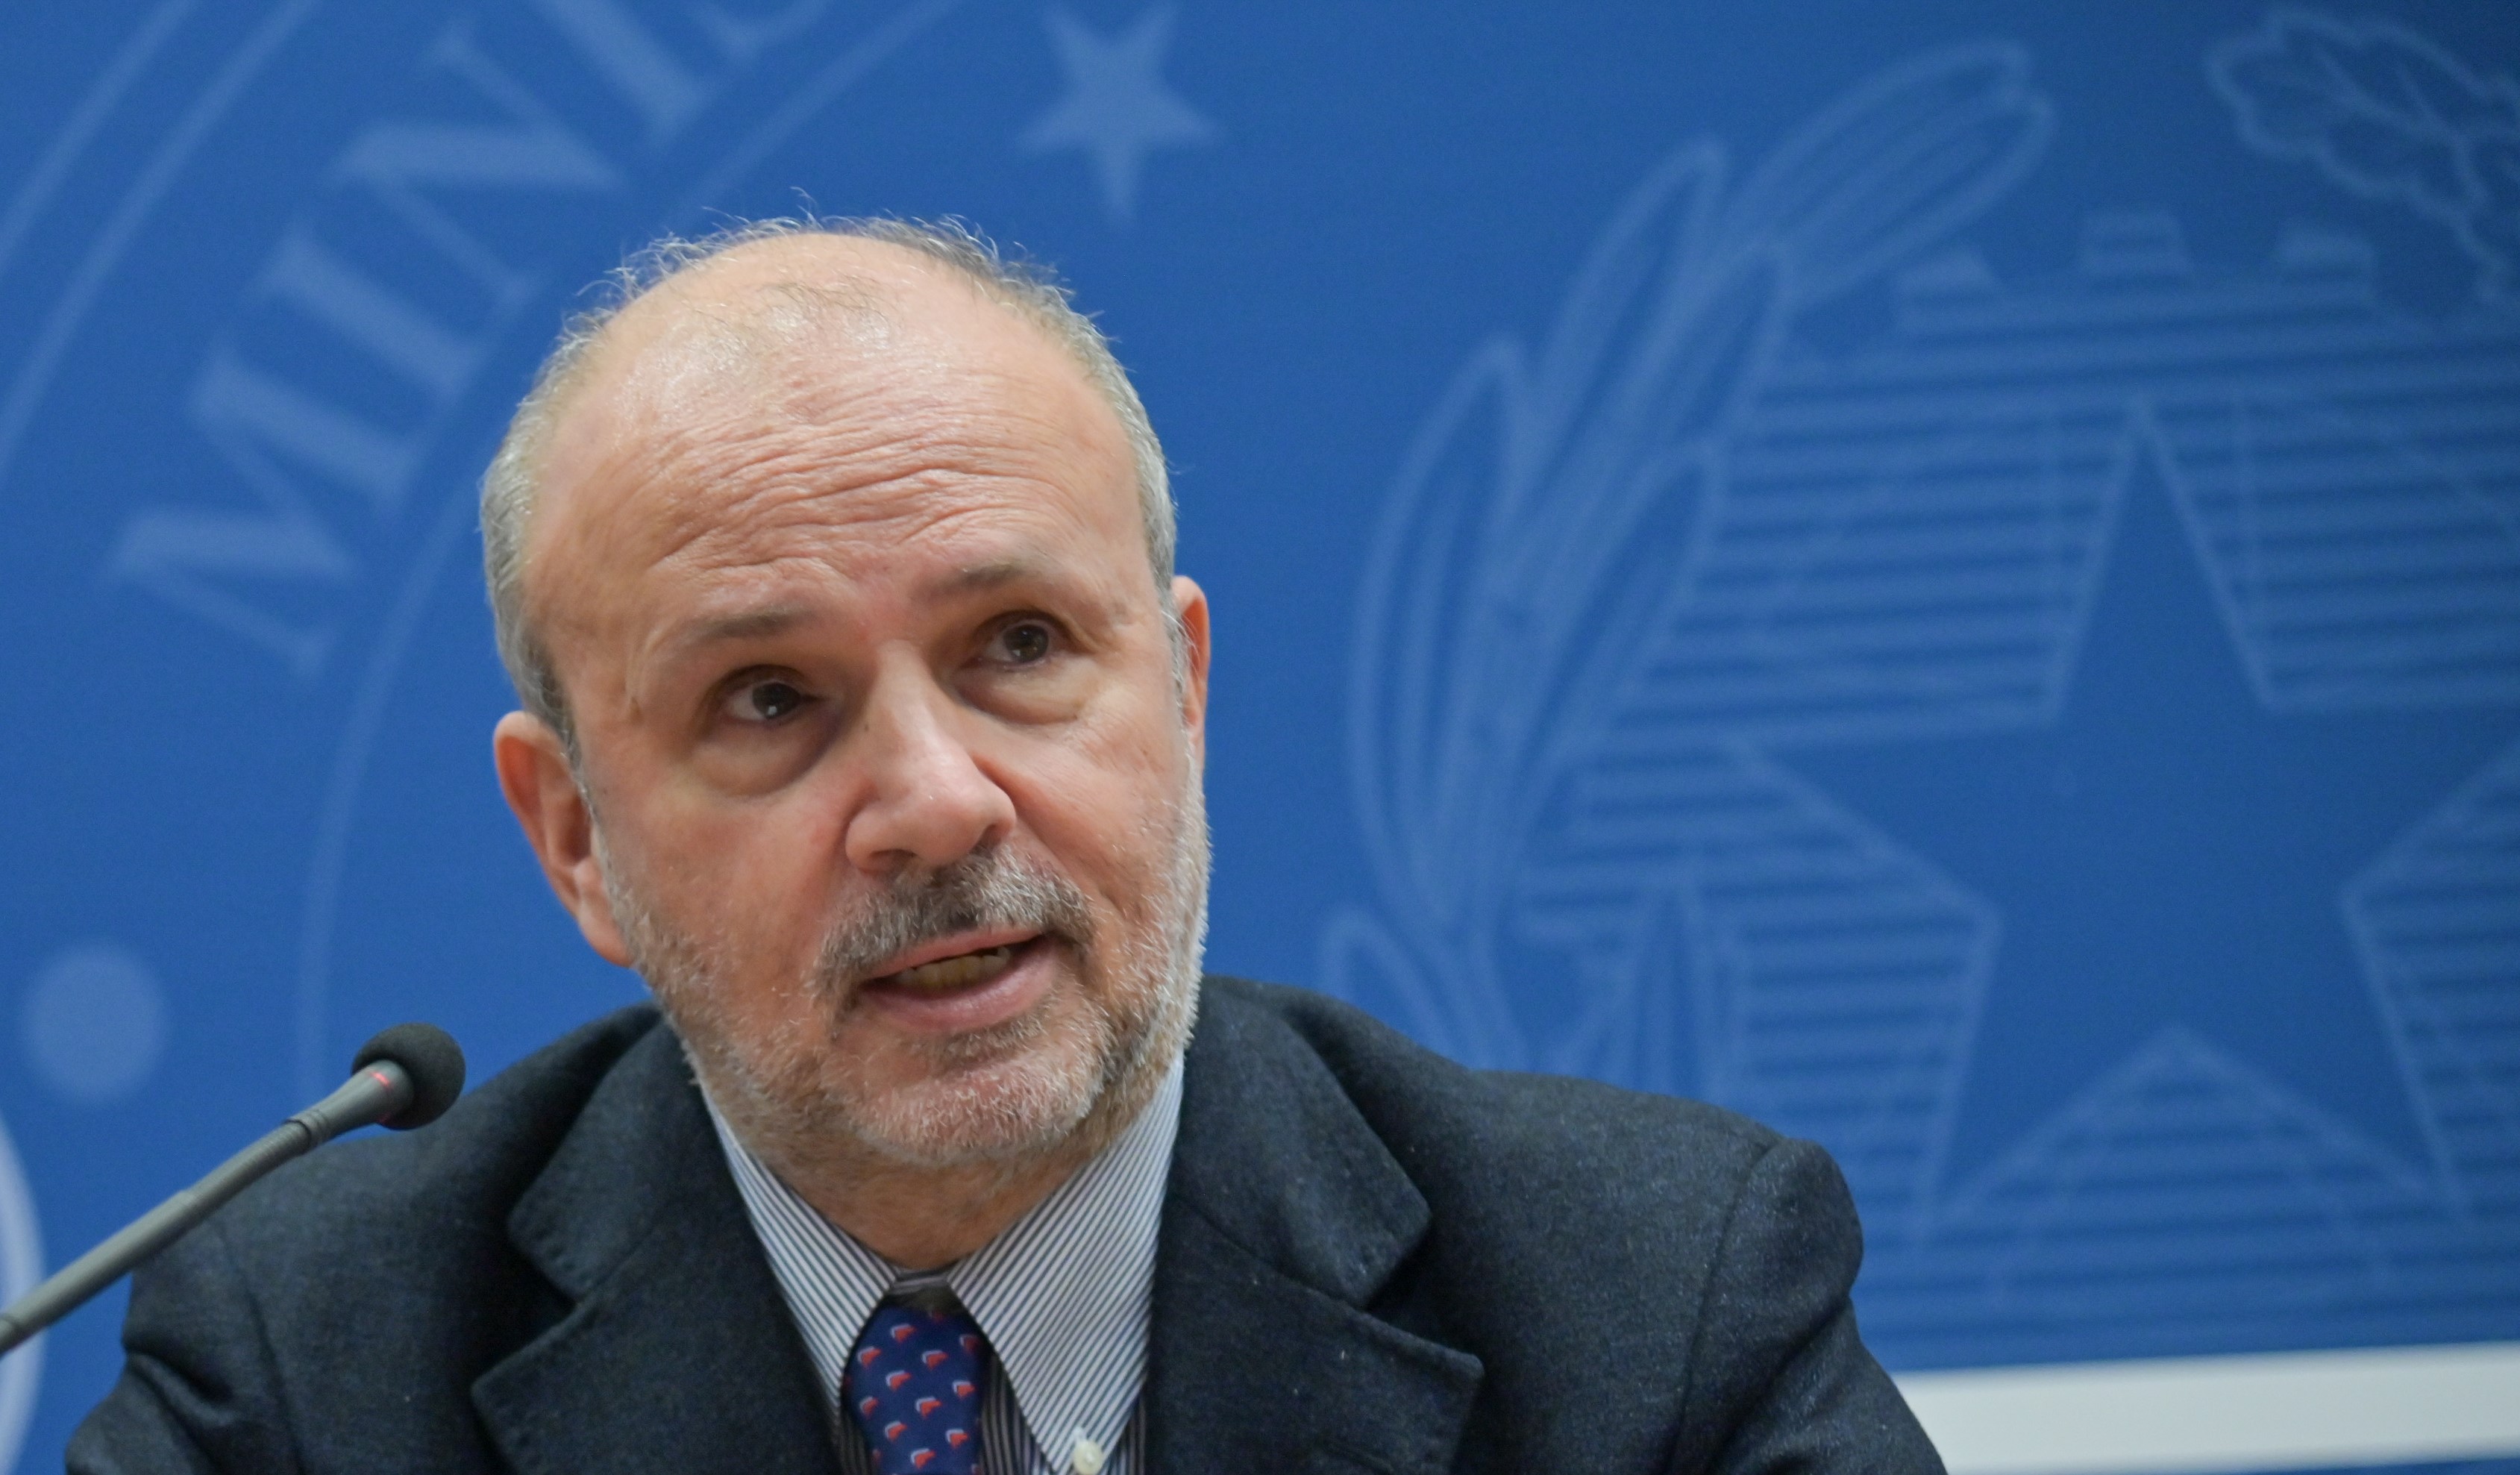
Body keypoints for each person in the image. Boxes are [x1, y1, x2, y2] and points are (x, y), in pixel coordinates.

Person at [69, 219, 1941, 1474]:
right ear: (575, 838)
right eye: (769, 697)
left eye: (1022, 646)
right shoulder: (310, 1375)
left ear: (1182, 688)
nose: (938, 801)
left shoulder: (1652, 1308)